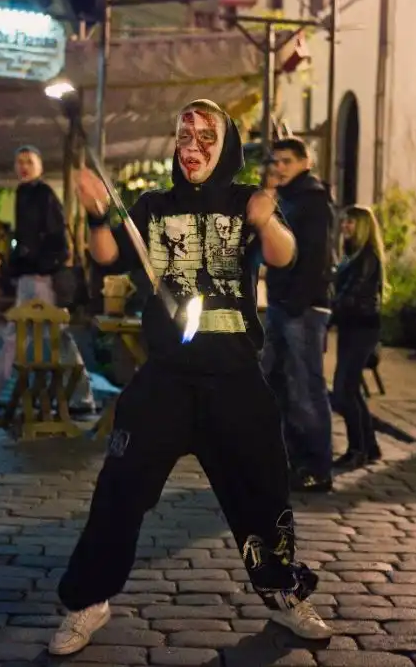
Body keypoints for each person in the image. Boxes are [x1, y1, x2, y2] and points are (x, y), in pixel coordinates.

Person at [47, 100, 332, 656]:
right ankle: (89, 599)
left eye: (206, 136)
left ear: (225, 145)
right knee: (119, 489)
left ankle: (282, 590)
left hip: (235, 379)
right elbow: (107, 254)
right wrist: (98, 213)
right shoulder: (153, 206)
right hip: (167, 379)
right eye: (184, 135)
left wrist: (265, 219)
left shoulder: (247, 200)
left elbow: (285, 255)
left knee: (262, 493)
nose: (193, 146)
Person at [0, 146, 95, 415]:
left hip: (41, 279)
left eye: (29, 162)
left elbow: (57, 240)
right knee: (37, 337)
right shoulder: (24, 193)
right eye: (20, 161)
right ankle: (81, 399)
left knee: (46, 337)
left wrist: (37, 266)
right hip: (30, 278)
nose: (23, 166)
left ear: (39, 167)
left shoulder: (43, 194)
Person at [262, 137, 334, 493]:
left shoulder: (313, 199)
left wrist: (295, 303)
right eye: (276, 161)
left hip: (302, 308)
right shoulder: (287, 198)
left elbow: (315, 258)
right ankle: (294, 461)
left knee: (305, 387)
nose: (279, 167)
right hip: (283, 304)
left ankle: (317, 467)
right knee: (280, 385)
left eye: (287, 161)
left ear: (306, 162)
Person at [331, 206, 384, 470]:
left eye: (350, 222)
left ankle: (356, 449)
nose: (345, 226)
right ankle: (369, 446)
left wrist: (328, 313)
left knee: (343, 392)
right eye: (344, 222)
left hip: (361, 328)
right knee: (351, 390)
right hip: (351, 328)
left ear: (362, 226)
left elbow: (351, 295)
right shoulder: (352, 255)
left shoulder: (366, 257)